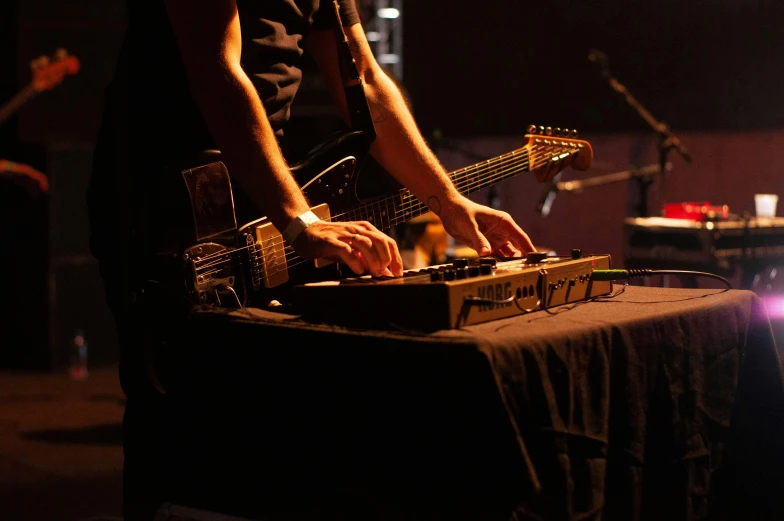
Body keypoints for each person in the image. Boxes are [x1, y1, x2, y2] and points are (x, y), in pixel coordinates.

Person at [86, 1, 563, 519]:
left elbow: (364, 78)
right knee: (175, 409)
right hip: (167, 195)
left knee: (261, 420)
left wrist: (447, 199)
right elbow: (216, 71)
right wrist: (300, 220)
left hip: (254, 185)